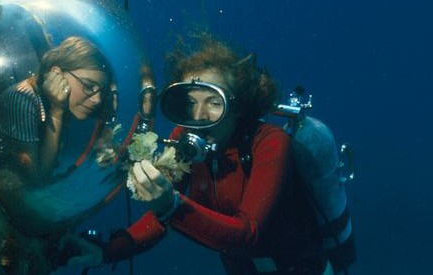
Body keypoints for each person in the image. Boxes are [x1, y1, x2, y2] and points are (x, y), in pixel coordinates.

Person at [68, 35, 331, 274]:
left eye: (214, 103)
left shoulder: (269, 142)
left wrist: (171, 205)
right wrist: (106, 251)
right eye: (190, 103)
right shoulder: (181, 139)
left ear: (236, 107)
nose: (199, 117)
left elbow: (247, 232)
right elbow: (161, 219)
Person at [0, 36, 113, 184]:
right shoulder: (23, 98)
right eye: (88, 86)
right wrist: (56, 111)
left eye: (101, 92)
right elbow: (36, 178)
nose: (97, 99)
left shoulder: (61, 105)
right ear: (56, 74)